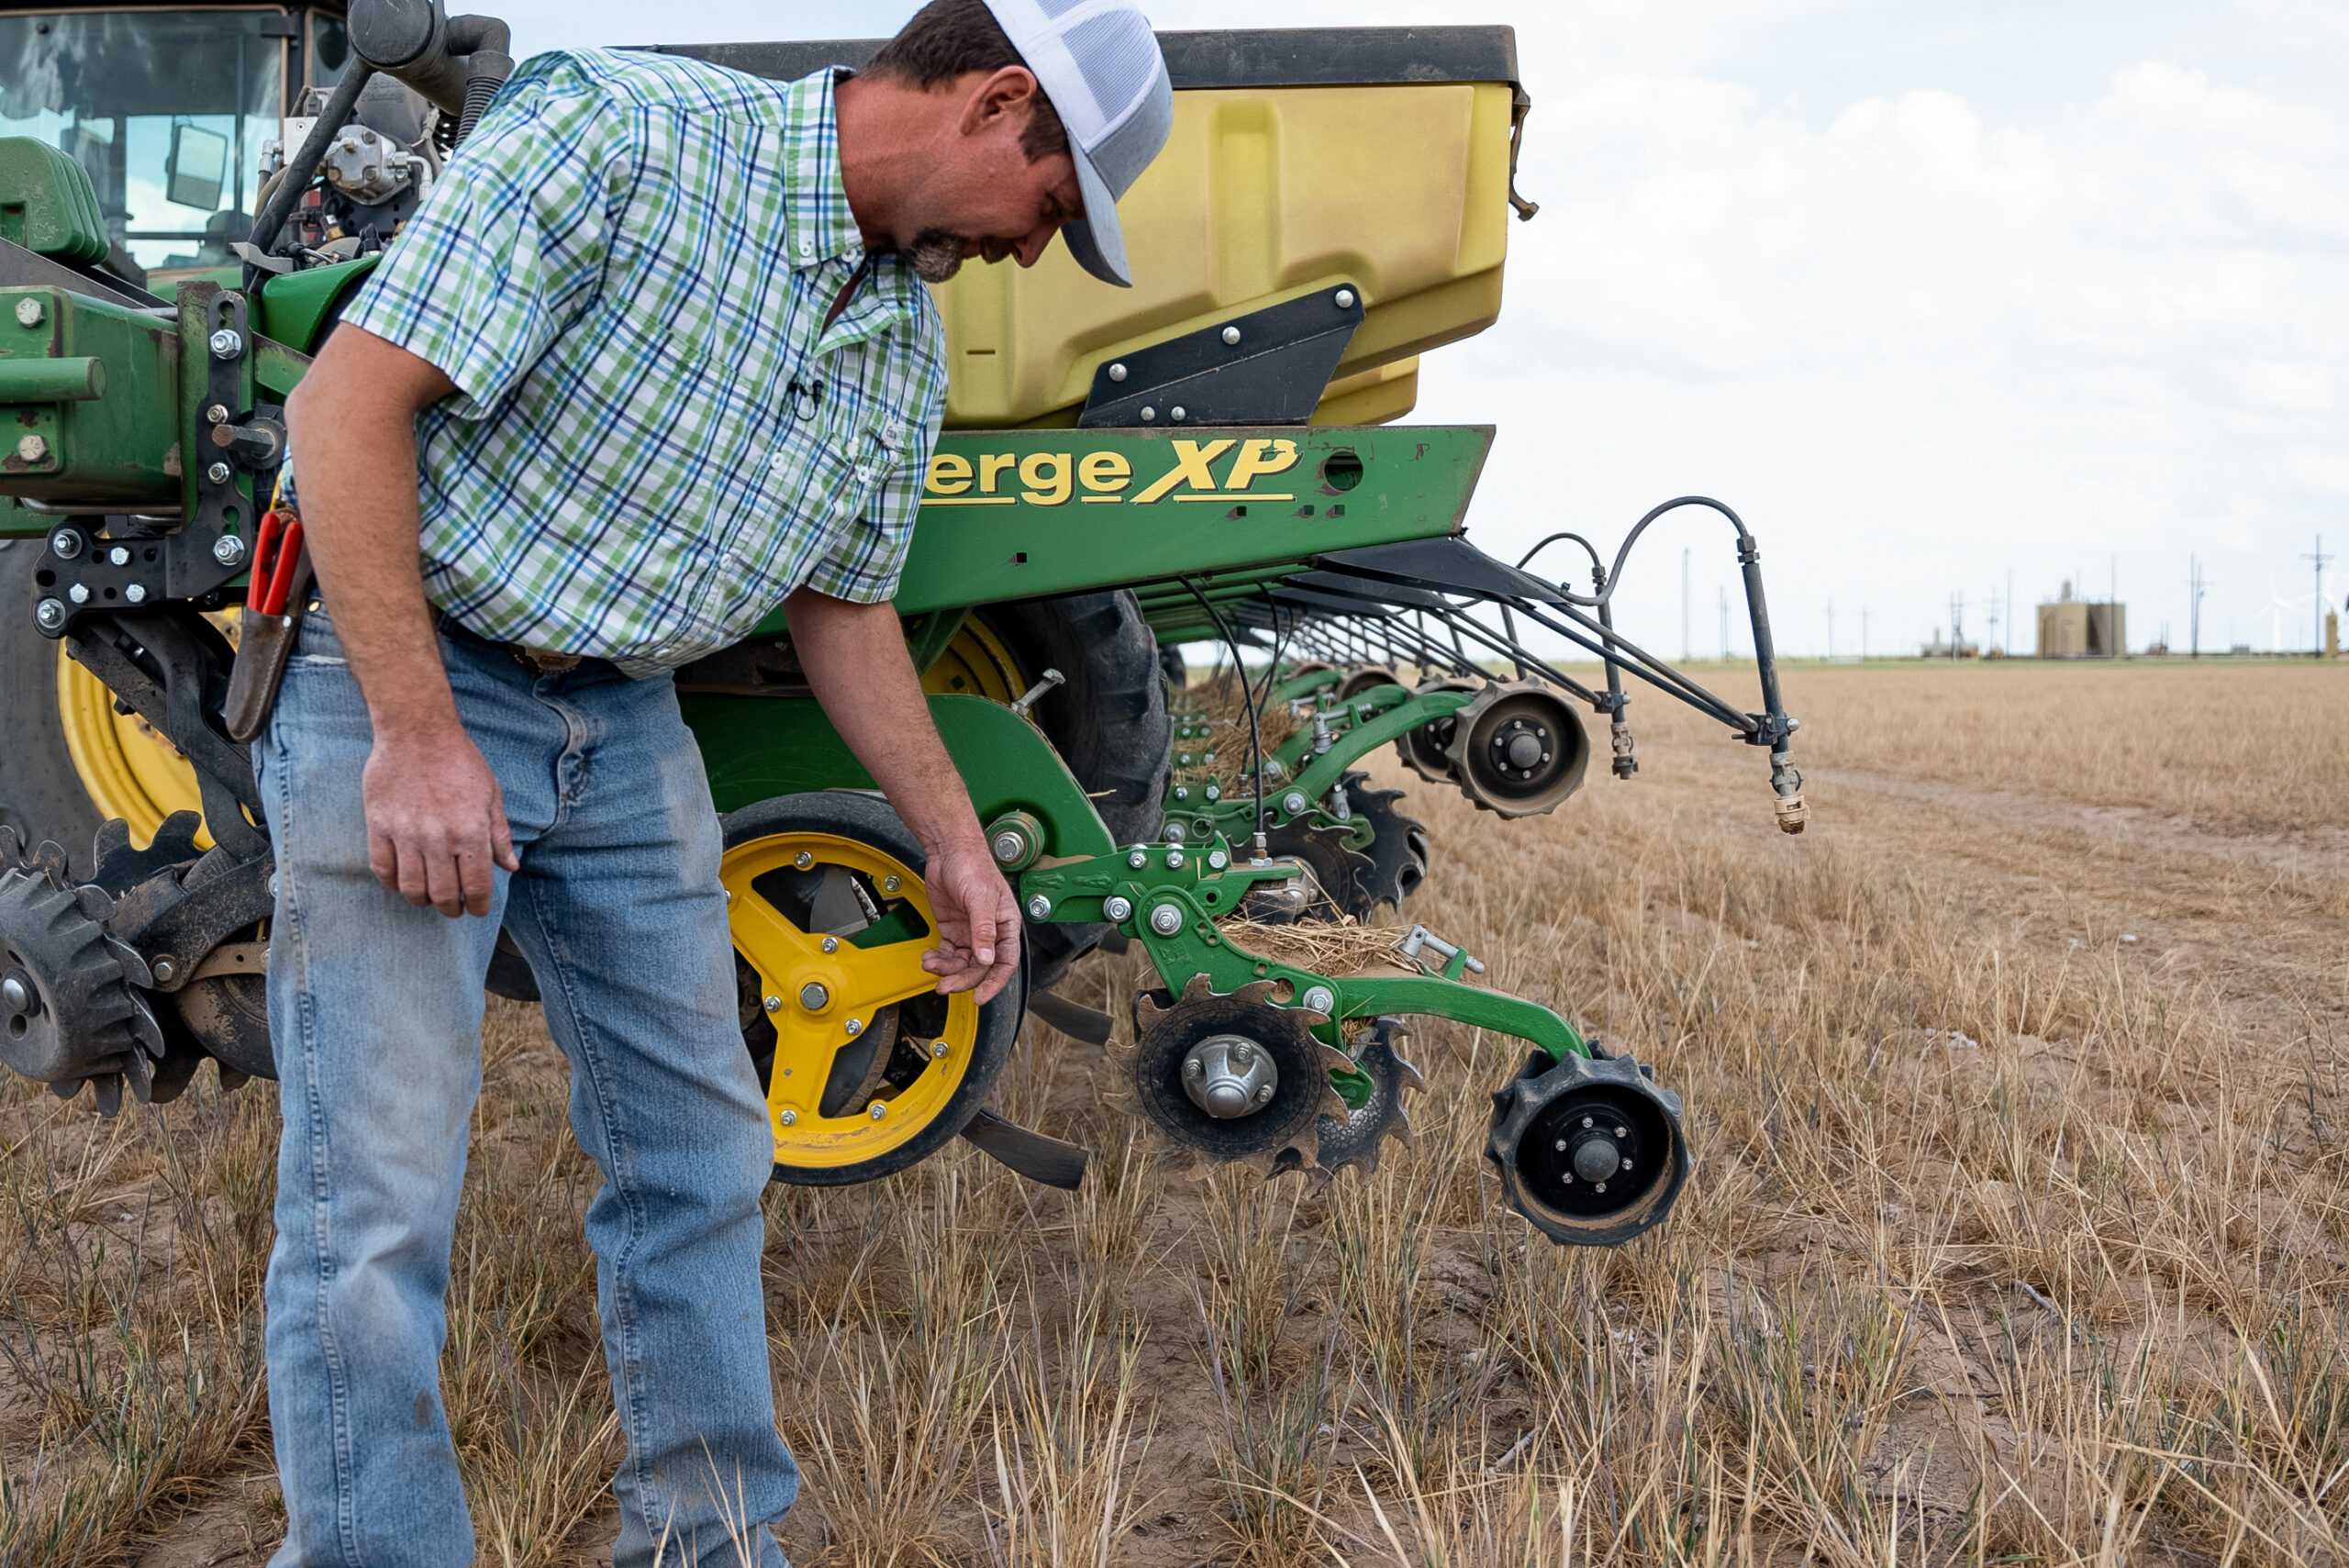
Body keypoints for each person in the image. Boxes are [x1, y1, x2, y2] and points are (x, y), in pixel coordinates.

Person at [265, 0, 1173, 1562]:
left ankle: (711, 1542)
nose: (1039, 250)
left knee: (701, 1155)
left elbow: (846, 601)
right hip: (410, 676)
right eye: (1055, 205)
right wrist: (418, 733)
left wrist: (953, 840)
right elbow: (344, 407)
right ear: (997, 103)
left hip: (622, 723)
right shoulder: (628, 137)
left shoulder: (897, 333)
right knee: (382, 1202)